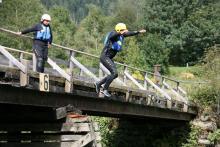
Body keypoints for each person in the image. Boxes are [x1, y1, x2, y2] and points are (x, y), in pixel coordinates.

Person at [94, 23, 146, 97]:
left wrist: (138, 32)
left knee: (115, 74)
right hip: (105, 57)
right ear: (119, 30)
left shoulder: (122, 35)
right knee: (114, 73)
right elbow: (112, 37)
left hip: (109, 58)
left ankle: (98, 83)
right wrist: (119, 32)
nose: (125, 31)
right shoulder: (114, 34)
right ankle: (104, 89)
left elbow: (129, 33)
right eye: (123, 30)